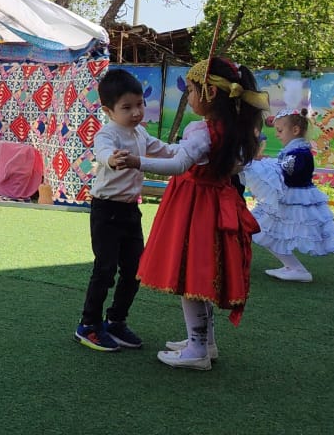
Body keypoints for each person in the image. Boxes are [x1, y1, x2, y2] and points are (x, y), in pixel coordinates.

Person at [118, 57, 269, 370]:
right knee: (200, 276)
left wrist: (137, 162)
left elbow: (179, 165)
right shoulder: (230, 130)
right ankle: (203, 342)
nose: (188, 96)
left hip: (195, 208)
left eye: (190, 90)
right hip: (213, 205)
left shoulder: (203, 132)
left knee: (191, 277)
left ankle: (197, 349)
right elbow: (186, 157)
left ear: (210, 93)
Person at [75, 69, 180, 351]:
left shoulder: (140, 133)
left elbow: (164, 150)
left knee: (135, 269)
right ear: (108, 111)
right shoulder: (107, 133)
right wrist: (111, 159)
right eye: (127, 107)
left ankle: (116, 321)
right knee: (105, 269)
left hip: (130, 211)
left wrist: (189, 151)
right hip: (106, 211)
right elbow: (101, 152)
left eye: (139, 104)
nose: (136, 112)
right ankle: (88, 325)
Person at [241, 108, 334, 282]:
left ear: (295, 130)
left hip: (294, 200)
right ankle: (292, 267)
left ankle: (296, 268)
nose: (277, 135)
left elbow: (286, 171)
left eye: (280, 130)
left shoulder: (299, 153)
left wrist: (262, 164)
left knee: (267, 232)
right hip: (291, 198)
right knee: (267, 232)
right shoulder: (296, 151)